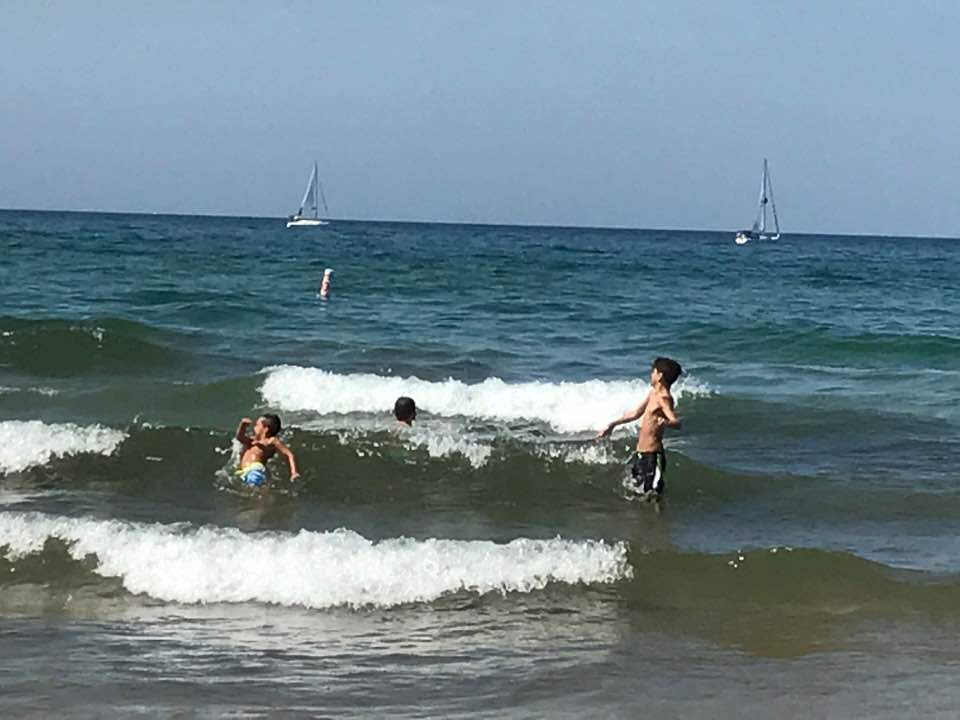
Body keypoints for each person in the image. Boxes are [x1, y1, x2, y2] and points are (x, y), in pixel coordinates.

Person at [596, 357, 682, 499]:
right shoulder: (652, 394)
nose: (651, 375)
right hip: (641, 454)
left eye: (653, 372)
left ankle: (658, 520)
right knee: (637, 492)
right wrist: (612, 424)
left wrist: (666, 423)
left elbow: (676, 422)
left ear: (660, 375)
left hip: (653, 457)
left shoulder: (664, 398)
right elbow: (635, 414)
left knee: (653, 495)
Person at [234, 414, 300, 488]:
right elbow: (239, 437)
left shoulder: (271, 441)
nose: (254, 427)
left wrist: (294, 472)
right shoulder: (252, 440)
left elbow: (289, 454)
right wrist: (242, 426)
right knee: (249, 492)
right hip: (245, 471)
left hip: (255, 469)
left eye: (257, 425)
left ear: (265, 429)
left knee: (253, 490)